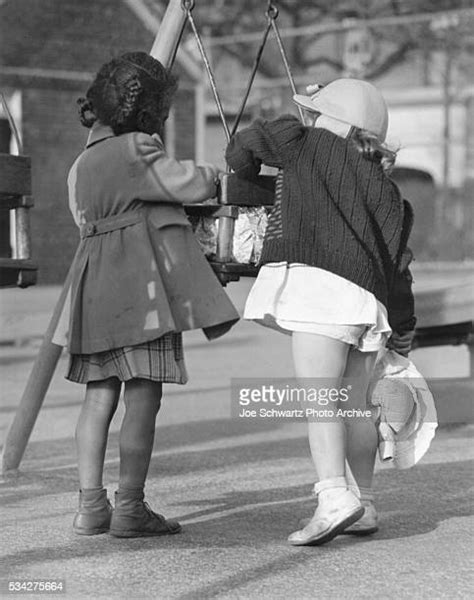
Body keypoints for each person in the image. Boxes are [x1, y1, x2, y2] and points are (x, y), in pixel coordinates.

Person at [225, 78, 416, 546]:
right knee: (354, 405)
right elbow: (398, 267)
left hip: (318, 291)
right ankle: (365, 502)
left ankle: (333, 497)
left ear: (323, 118)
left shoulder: (298, 142)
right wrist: (403, 329)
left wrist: (294, 122)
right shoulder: (386, 190)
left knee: (318, 400)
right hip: (365, 303)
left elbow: (240, 152)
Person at [64, 52, 239, 538]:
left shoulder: (81, 163)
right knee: (143, 396)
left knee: (98, 398)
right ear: (148, 112)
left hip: (93, 290)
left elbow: (81, 220)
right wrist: (213, 176)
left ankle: (89, 506)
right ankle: (130, 507)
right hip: (142, 292)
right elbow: (182, 181)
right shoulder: (137, 150)